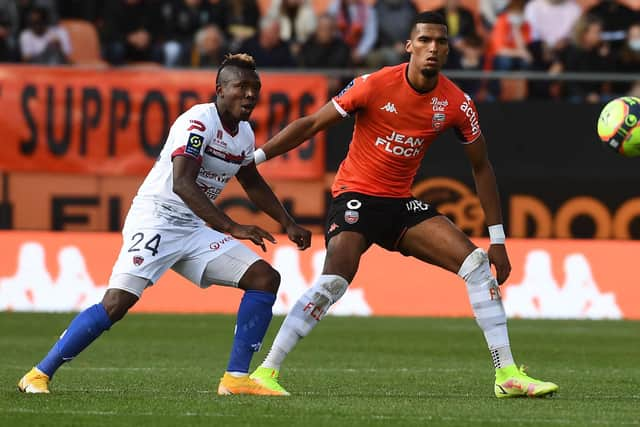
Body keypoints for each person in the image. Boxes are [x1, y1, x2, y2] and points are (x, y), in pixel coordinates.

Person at [249, 11, 559, 399]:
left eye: (440, 42)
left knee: (478, 266)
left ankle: (507, 374)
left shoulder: (457, 104)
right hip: (356, 197)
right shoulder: (374, 85)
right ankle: (266, 372)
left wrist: (498, 239)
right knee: (334, 281)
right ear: (409, 46)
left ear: (448, 49)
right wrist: (255, 159)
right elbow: (312, 124)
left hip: (399, 203)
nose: (433, 48)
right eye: (425, 40)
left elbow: (481, 167)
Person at [17, 53, 312, 396]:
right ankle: (38, 374)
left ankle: (235, 379)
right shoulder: (198, 122)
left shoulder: (244, 133)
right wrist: (231, 226)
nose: (249, 94)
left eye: (255, 88)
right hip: (157, 218)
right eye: (241, 86)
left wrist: (287, 222)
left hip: (193, 227)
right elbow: (182, 183)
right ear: (219, 89)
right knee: (117, 303)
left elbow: (251, 180)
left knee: (264, 278)